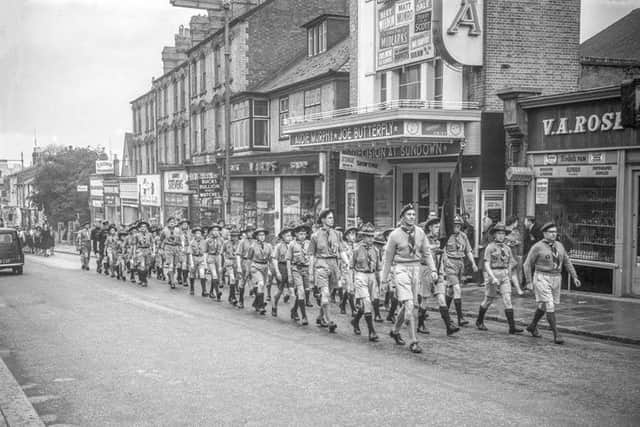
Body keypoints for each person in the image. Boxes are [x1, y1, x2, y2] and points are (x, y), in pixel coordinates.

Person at [381, 204, 438, 354]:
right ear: (402, 217)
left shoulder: (420, 233)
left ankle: (395, 330)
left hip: (416, 269)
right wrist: (384, 279)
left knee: (410, 306)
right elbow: (387, 259)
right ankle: (414, 341)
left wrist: (433, 269)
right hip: (401, 269)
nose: (412, 217)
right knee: (410, 304)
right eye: (409, 214)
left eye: (413, 214)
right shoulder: (394, 235)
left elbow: (426, 253)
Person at [523, 222, 581, 344]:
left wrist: (574, 276)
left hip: (556, 277)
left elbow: (566, 261)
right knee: (550, 304)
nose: (554, 234)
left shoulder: (559, 246)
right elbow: (527, 264)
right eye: (551, 232)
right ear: (544, 233)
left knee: (543, 305)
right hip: (542, 277)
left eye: (555, 232)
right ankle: (556, 334)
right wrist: (528, 281)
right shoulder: (537, 247)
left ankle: (532, 326)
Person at [475, 223, 524, 335]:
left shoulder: (507, 248)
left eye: (503, 233)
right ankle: (479, 320)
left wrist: (509, 274)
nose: (501, 236)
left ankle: (512, 327)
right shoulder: (490, 247)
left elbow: (511, 263)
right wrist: (492, 277)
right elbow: (486, 264)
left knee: (507, 299)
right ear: (495, 235)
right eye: (499, 233)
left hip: (504, 275)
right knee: (488, 300)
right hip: (493, 274)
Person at [308, 209, 348, 333]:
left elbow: (341, 251)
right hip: (321, 264)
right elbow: (311, 256)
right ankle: (330, 321)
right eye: (329, 218)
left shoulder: (337, 234)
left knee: (328, 295)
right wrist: (311, 272)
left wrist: (347, 262)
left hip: (334, 265)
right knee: (325, 295)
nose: (332, 220)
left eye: (332, 217)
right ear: (323, 220)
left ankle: (320, 317)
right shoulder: (315, 236)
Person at [418, 218, 460, 336]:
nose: (438, 229)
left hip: (439, 270)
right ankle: (420, 324)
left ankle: (449, 326)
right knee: (425, 299)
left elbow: (445, 256)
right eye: (436, 227)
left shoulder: (441, 240)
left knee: (441, 298)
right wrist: (434, 250)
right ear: (430, 228)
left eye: (439, 227)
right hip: (426, 270)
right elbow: (421, 253)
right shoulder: (423, 239)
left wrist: (449, 266)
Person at [442, 215, 478, 327]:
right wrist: (446, 260)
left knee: (451, 291)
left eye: (458, 226)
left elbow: (468, 251)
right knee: (457, 289)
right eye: (454, 225)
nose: (456, 227)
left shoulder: (464, 236)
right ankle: (460, 317)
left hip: (460, 264)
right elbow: (442, 250)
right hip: (451, 264)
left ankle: (445, 313)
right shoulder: (446, 236)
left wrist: (473, 263)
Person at [350, 223, 379, 342]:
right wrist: (351, 283)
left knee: (367, 304)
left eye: (372, 236)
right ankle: (371, 331)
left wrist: (380, 283)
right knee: (366, 301)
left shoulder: (376, 250)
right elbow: (351, 267)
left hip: (371, 276)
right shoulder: (357, 249)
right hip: (360, 275)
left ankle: (355, 321)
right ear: (363, 237)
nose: (371, 239)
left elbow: (378, 268)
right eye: (368, 236)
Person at [286, 222, 311, 325]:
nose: (303, 236)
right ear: (296, 234)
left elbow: (312, 256)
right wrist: (289, 274)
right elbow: (288, 259)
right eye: (300, 234)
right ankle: (304, 316)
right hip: (296, 269)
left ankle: (294, 310)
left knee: (305, 291)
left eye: (304, 234)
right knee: (300, 291)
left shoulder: (309, 243)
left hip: (306, 269)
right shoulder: (292, 244)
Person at [248, 228, 272, 315]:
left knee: (261, 286)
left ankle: (256, 303)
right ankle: (261, 306)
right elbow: (249, 259)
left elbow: (270, 259)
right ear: (257, 236)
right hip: (256, 266)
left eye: (263, 235)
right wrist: (249, 270)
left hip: (265, 267)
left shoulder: (269, 246)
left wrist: (269, 270)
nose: (262, 237)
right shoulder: (252, 246)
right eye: (260, 235)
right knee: (261, 284)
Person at [271, 224, 294, 317]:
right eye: (287, 235)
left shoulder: (293, 245)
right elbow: (274, 259)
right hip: (282, 267)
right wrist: (277, 272)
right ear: (282, 236)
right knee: (279, 291)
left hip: (291, 268)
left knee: (292, 291)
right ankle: (274, 306)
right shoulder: (279, 246)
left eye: (290, 235)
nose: (289, 237)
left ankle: (293, 312)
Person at [235, 223, 256, 309]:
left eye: (252, 231)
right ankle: (240, 301)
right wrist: (239, 266)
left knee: (257, 282)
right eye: (249, 231)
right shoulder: (242, 242)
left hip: (254, 263)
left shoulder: (256, 242)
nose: (250, 233)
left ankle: (257, 303)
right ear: (246, 233)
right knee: (243, 282)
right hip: (245, 262)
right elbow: (238, 254)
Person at [339, 226, 357, 316]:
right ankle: (353, 309)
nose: (354, 236)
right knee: (350, 288)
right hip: (346, 269)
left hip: (354, 269)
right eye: (351, 234)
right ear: (346, 236)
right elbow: (343, 256)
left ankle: (342, 304)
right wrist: (349, 263)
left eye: (355, 234)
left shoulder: (356, 245)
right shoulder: (343, 245)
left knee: (349, 288)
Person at [505, 216, 524, 295]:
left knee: (513, 272)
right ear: (514, 222)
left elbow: (518, 241)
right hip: (505, 254)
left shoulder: (515, 231)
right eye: (516, 222)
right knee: (509, 272)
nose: (517, 224)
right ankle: (506, 288)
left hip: (513, 253)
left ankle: (518, 289)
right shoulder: (504, 231)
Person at [222, 227, 241, 305]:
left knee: (236, 279)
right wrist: (225, 260)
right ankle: (233, 297)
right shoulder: (226, 243)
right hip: (229, 261)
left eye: (236, 236)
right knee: (232, 278)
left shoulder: (240, 243)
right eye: (233, 236)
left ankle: (230, 296)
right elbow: (222, 252)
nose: (234, 237)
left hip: (237, 262)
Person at [205, 224, 224, 300]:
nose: (216, 232)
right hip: (211, 257)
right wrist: (205, 264)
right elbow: (205, 252)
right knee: (214, 274)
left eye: (217, 230)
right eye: (214, 230)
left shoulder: (221, 240)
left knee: (217, 275)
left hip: (218, 257)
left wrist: (221, 263)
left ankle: (211, 292)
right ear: (211, 231)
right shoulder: (207, 240)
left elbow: (222, 251)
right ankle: (218, 292)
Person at [133, 221, 155, 287]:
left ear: (147, 228)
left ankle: (142, 278)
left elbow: (153, 243)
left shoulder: (150, 234)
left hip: (148, 250)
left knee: (147, 266)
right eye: (142, 227)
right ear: (139, 228)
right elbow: (134, 245)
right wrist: (134, 253)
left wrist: (153, 251)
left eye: (144, 227)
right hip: (140, 250)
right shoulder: (137, 235)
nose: (143, 228)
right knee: (142, 265)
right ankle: (143, 280)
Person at [189, 226, 208, 296]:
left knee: (202, 273)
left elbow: (205, 253)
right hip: (194, 258)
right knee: (192, 274)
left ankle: (204, 290)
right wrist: (191, 263)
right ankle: (192, 288)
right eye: (197, 233)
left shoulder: (204, 242)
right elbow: (190, 253)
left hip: (201, 258)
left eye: (199, 233)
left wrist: (205, 263)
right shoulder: (192, 242)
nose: (198, 235)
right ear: (194, 234)